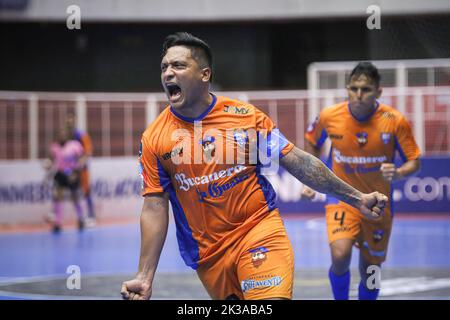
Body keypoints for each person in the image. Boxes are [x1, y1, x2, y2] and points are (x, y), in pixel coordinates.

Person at [120, 33, 388, 300]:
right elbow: (155, 205)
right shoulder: (155, 138)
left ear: (204, 74)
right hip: (209, 256)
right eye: (164, 67)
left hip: (258, 230)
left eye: (178, 65)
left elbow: (296, 161)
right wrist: (145, 275)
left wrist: (356, 197)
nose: (168, 73)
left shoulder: (244, 118)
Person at [302, 62, 421, 300]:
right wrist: (309, 176)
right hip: (341, 198)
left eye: (366, 89)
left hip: (378, 206)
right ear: (347, 89)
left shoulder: (395, 120)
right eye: (353, 88)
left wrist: (399, 173)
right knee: (339, 255)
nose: (358, 94)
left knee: (371, 270)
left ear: (378, 92)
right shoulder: (329, 116)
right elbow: (312, 141)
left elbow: (414, 161)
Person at [46, 126, 86, 233]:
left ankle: (81, 219)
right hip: (60, 174)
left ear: (67, 135)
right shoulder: (54, 147)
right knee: (58, 197)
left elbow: (82, 158)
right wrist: (48, 165)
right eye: (60, 133)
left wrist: (77, 170)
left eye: (64, 133)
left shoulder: (74, 145)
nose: (62, 135)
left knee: (75, 197)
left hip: (72, 173)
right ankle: (58, 223)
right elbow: (50, 159)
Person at [65, 112, 96, 227]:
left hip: (81, 169)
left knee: (86, 191)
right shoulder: (65, 137)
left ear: (75, 121)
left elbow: (88, 151)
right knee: (73, 193)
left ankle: (92, 216)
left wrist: (80, 163)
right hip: (69, 170)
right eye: (67, 121)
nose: (69, 123)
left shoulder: (81, 135)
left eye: (71, 121)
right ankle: (80, 217)